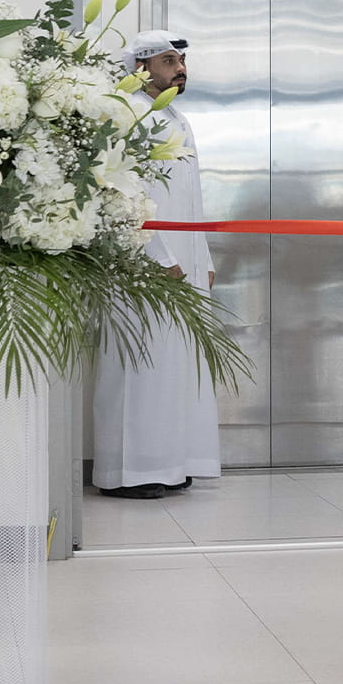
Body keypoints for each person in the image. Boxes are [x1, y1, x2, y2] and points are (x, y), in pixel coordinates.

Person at [92, 30, 220, 499]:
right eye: (170, 61)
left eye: (181, 60)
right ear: (142, 67)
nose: (180, 69)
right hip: (141, 263)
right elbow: (124, 196)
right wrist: (159, 257)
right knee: (139, 367)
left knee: (176, 367)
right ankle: (131, 472)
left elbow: (192, 200)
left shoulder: (175, 118)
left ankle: (172, 463)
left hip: (184, 262)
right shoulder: (125, 114)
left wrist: (200, 256)